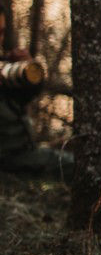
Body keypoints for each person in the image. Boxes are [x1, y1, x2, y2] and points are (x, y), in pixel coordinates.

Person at [0, 10, 73, 178]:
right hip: (12, 161)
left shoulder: (5, 66)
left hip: (22, 154)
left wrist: (26, 70)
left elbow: (25, 97)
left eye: (1, 33)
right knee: (77, 167)